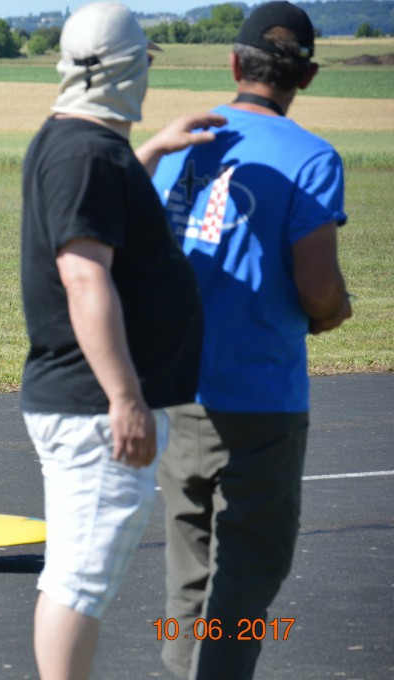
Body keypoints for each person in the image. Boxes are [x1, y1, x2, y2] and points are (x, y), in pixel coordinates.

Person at [143, 3, 353, 677]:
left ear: (234, 65)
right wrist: (333, 312)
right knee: (251, 562)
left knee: (189, 561)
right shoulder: (314, 159)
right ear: (308, 77)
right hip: (263, 393)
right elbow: (318, 286)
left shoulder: (183, 139)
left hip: (183, 389)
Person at [19, 3, 223, 677]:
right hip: (92, 411)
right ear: (133, 69)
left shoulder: (79, 144)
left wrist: (153, 150)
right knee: (80, 584)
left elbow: (97, 198)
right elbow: (84, 278)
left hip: (79, 405)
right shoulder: (85, 153)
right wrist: (126, 398)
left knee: (74, 576)